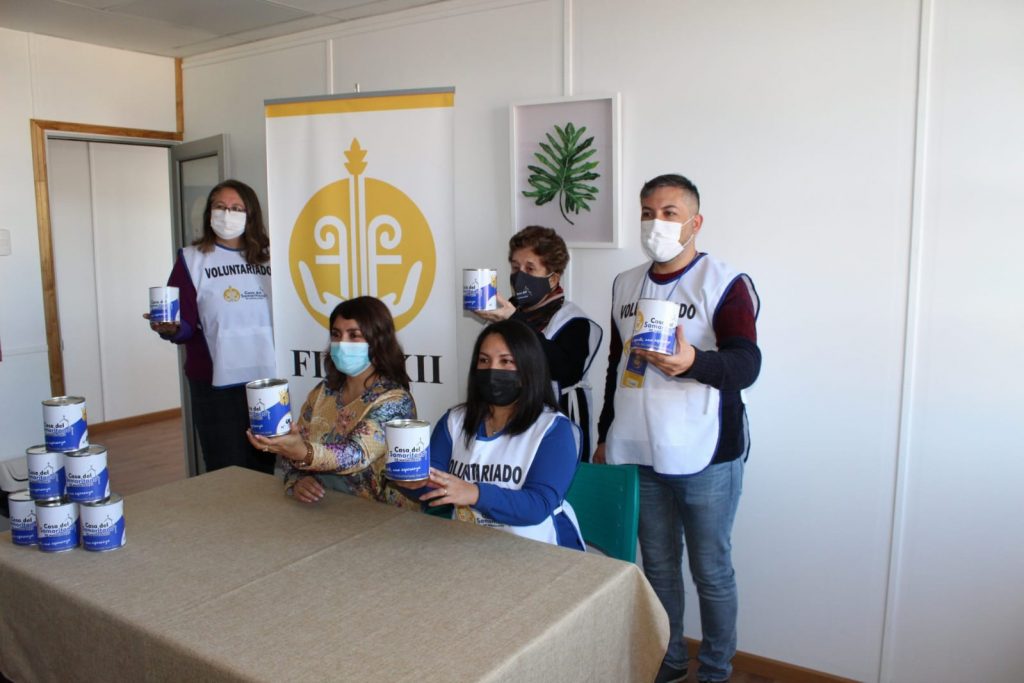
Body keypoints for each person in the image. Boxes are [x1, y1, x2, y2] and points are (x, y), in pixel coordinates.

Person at [594, 174, 761, 683]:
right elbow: (615, 366)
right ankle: (668, 659)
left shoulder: (724, 282)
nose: (656, 223)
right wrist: (604, 434)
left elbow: (746, 365)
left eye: (669, 213)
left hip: (704, 452)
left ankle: (715, 670)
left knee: (711, 570)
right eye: (648, 213)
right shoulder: (625, 284)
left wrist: (692, 362)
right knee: (659, 567)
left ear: (695, 222)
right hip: (638, 447)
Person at [395, 319, 584, 550]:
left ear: (529, 368)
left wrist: (475, 493)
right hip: (470, 543)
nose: (492, 370)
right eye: (484, 360)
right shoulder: (455, 420)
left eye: (506, 361)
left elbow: (538, 505)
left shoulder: (553, 428)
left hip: (539, 548)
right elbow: (435, 485)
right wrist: (413, 482)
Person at [146, 179, 275, 474]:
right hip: (214, 381)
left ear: (251, 214)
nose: (227, 214)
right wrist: (170, 328)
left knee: (265, 462)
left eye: (237, 208)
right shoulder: (192, 259)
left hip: (266, 379)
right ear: (209, 213)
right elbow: (184, 322)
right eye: (220, 206)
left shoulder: (272, 257)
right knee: (225, 465)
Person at [247, 297, 418, 509]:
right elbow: (295, 451)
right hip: (327, 508)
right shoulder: (323, 391)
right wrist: (297, 480)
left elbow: (355, 455)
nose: (342, 343)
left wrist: (302, 452)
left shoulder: (395, 400)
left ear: (378, 341)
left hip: (383, 516)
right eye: (336, 334)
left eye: (354, 335)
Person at [472, 226, 602, 460]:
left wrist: (515, 320)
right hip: (507, 421)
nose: (520, 276)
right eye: (515, 268)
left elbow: (565, 370)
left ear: (553, 277)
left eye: (530, 268)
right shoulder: (504, 312)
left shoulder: (574, 320)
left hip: (556, 425)